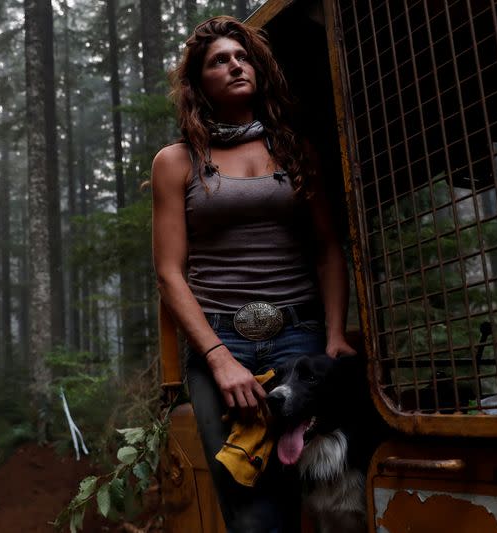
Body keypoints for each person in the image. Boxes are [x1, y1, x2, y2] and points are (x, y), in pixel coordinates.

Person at [151, 15, 356, 533]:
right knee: (250, 508)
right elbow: (169, 273)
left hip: (300, 339)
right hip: (221, 341)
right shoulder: (176, 162)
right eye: (219, 60)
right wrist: (218, 360)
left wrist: (333, 334)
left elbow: (329, 249)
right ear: (199, 83)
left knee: (318, 491)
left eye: (242, 57)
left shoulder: (293, 150)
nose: (235, 65)